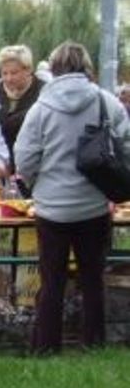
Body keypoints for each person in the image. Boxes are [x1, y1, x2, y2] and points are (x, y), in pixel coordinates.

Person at [14, 41, 130, 353]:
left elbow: (24, 157)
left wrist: (39, 185)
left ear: (52, 69)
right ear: (87, 67)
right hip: (93, 207)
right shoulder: (107, 102)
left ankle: (45, 347)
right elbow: (126, 148)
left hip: (52, 210)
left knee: (52, 281)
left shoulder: (40, 109)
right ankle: (93, 344)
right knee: (93, 280)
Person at [0, 44, 45, 175]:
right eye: (4, 73)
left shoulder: (43, 92)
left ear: (28, 70)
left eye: (14, 73)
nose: (8, 78)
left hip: (32, 168)